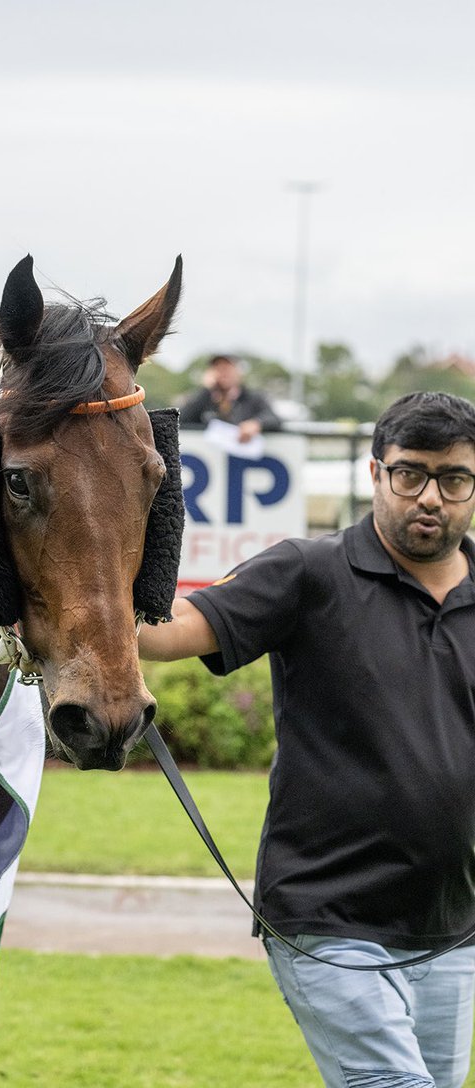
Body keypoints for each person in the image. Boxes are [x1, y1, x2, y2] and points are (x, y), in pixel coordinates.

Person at [140, 391, 475, 1088]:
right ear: (376, 472)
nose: (431, 498)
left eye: (454, 479)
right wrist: (64, 611)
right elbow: (169, 630)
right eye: (410, 473)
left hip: (453, 929)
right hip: (330, 918)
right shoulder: (308, 571)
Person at [178, 353, 281, 442]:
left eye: (227, 368)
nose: (223, 373)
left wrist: (256, 424)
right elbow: (181, 419)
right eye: (218, 369)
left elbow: (273, 418)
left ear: (238, 372)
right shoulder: (205, 399)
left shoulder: (253, 398)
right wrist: (205, 390)